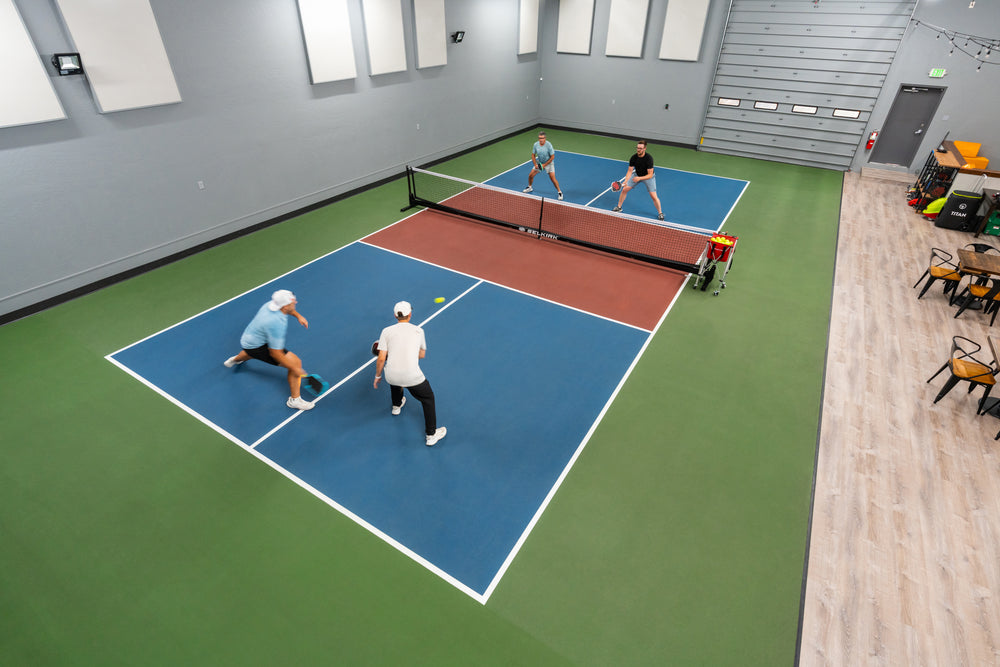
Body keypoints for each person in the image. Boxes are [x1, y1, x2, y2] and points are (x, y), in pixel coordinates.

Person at [224, 289, 315, 410]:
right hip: (257, 346)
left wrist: (298, 316)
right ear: (285, 306)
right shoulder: (276, 323)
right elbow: (275, 353)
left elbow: (288, 309)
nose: (296, 302)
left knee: (251, 352)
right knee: (296, 363)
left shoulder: (270, 305)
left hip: (248, 340)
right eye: (293, 301)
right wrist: (295, 369)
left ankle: (235, 360)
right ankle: (294, 400)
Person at [373, 301, 447, 446]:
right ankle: (431, 435)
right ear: (410, 315)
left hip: (391, 376)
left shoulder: (386, 331)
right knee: (428, 398)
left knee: (393, 375)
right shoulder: (419, 331)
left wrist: (378, 376)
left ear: (395, 315)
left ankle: (396, 406)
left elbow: (381, 358)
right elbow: (422, 355)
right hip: (412, 377)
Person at [613, 139, 664, 220]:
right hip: (637, 175)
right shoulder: (633, 157)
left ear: (644, 149)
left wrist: (639, 178)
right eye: (637, 148)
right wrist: (626, 181)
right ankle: (619, 207)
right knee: (624, 189)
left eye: (640, 148)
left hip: (648, 177)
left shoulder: (649, 158)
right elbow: (630, 171)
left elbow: (650, 175)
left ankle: (660, 213)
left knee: (653, 196)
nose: (638, 150)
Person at [523, 131, 564, 200]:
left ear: (545, 138)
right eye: (539, 138)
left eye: (542, 138)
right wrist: (535, 164)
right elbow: (533, 155)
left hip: (549, 163)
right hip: (540, 163)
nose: (540, 139)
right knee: (530, 175)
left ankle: (560, 192)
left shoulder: (549, 145)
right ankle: (530, 187)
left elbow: (552, 157)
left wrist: (544, 165)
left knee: (553, 178)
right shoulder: (536, 144)